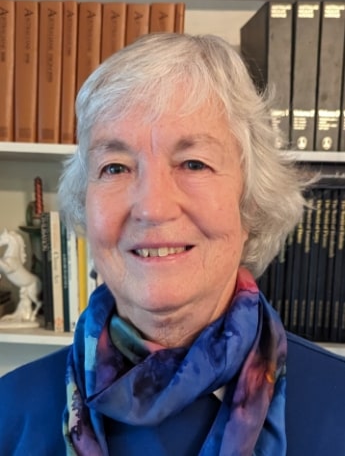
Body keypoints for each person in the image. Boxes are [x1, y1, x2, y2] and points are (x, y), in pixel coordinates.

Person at [1, 32, 345, 456]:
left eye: (193, 163)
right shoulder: (10, 411)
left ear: (250, 203)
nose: (152, 207)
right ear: (84, 205)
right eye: (115, 167)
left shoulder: (337, 404)